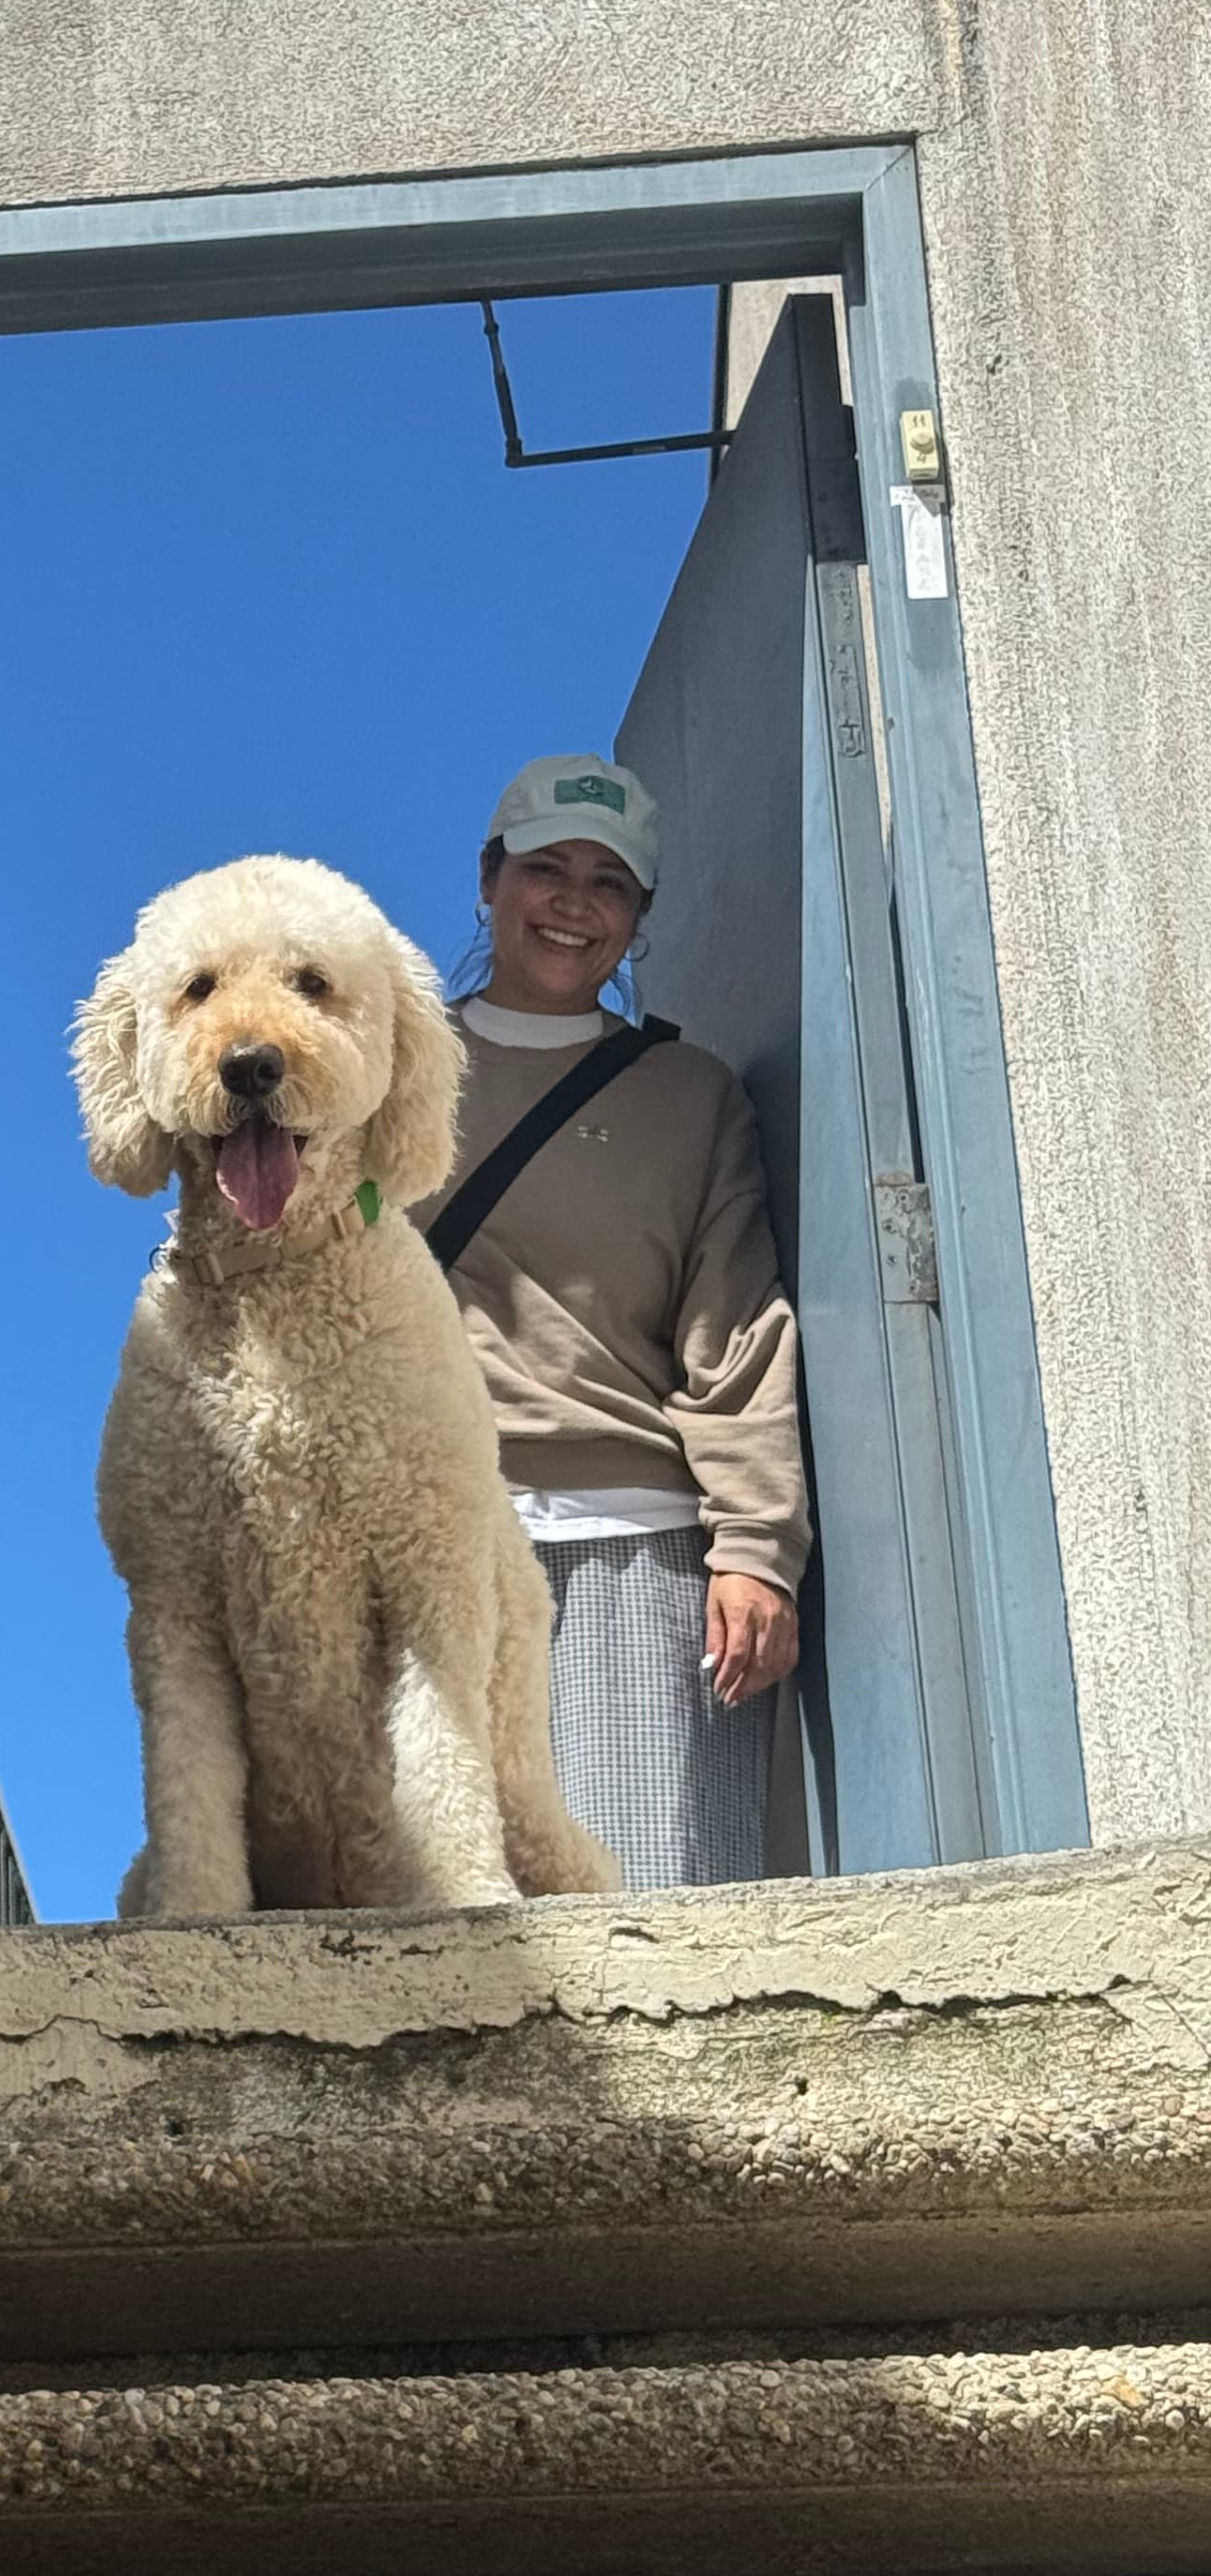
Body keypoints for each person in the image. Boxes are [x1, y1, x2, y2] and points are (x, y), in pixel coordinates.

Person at [418, 753, 807, 1891]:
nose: (573, 903)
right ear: (490, 880)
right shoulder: (389, 1069)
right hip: (429, 1539)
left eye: (610, 882)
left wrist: (759, 1550)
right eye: (546, 868)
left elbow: (732, 1325)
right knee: (424, 1923)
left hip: (642, 1551)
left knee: (648, 1916)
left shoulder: (690, 1097)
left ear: (639, 917)